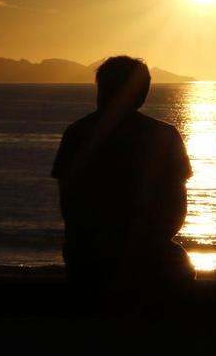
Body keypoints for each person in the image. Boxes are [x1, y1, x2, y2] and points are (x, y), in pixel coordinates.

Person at [51, 55, 194, 298]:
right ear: (142, 94)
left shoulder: (76, 133)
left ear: (101, 88)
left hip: (88, 255)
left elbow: (69, 205)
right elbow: (176, 207)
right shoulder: (165, 136)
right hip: (148, 253)